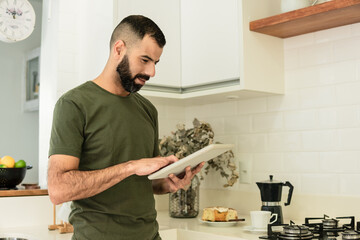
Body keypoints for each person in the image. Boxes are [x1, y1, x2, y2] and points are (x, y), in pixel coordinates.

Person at [47, 15, 204, 240]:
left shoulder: (148, 109)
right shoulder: (74, 104)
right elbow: (58, 189)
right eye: (145, 60)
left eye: (155, 63)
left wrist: (168, 183)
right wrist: (130, 166)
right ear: (119, 49)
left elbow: (146, 183)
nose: (152, 72)